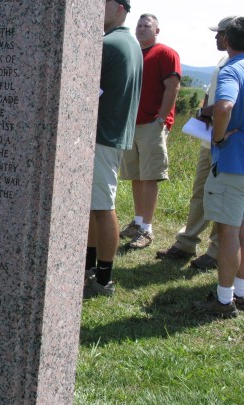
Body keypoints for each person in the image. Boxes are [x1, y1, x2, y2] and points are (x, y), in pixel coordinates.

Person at [156, 16, 238, 269]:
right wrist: (204, 111)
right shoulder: (224, 61)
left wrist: (214, 120)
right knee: (201, 193)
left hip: (226, 143)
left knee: (222, 200)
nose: (216, 37)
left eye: (219, 33)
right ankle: (186, 243)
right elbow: (211, 95)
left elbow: (228, 104)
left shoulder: (236, 64)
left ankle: (214, 252)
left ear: (229, 36)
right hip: (210, 142)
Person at [83, 0, 142, 298]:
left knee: (103, 207)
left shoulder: (107, 44)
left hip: (101, 135)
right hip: (114, 134)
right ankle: (89, 266)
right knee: (95, 205)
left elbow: (86, 92)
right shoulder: (130, 42)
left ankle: (103, 280)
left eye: (103, 2)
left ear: (119, 7)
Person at [119, 13, 181, 249]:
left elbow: (173, 86)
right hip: (131, 124)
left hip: (151, 125)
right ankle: (136, 222)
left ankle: (146, 229)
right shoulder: (135, 52)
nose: (142, 29)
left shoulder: (165, 53)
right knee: (135, 175)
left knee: (149, 176)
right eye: (139, 25)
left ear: (157, 31)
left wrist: (161, 119)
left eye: (147, 26)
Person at [199, 17, 244, 317]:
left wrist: (218, 136)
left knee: (229, 232)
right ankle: (241, 291)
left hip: (233, 163)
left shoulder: (232, 69)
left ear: (227, 39)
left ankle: (224, 300)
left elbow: (225, 106)